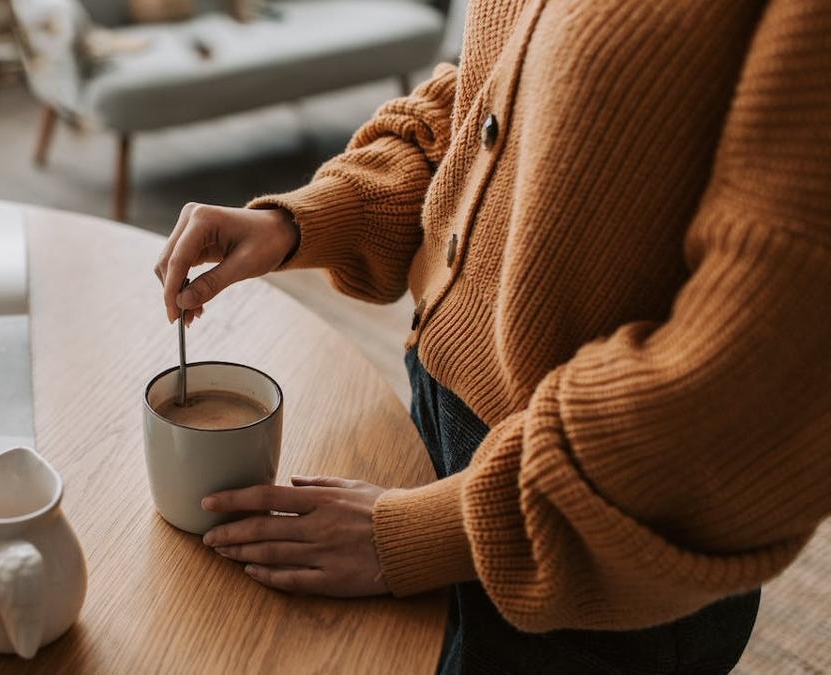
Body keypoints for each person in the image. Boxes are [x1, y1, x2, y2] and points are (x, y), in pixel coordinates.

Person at [153, 0, 831, 672]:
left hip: (597, 542)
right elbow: (494, 85)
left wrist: (430, 533)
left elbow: (756, 384)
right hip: (439, 429)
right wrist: (311, 217)